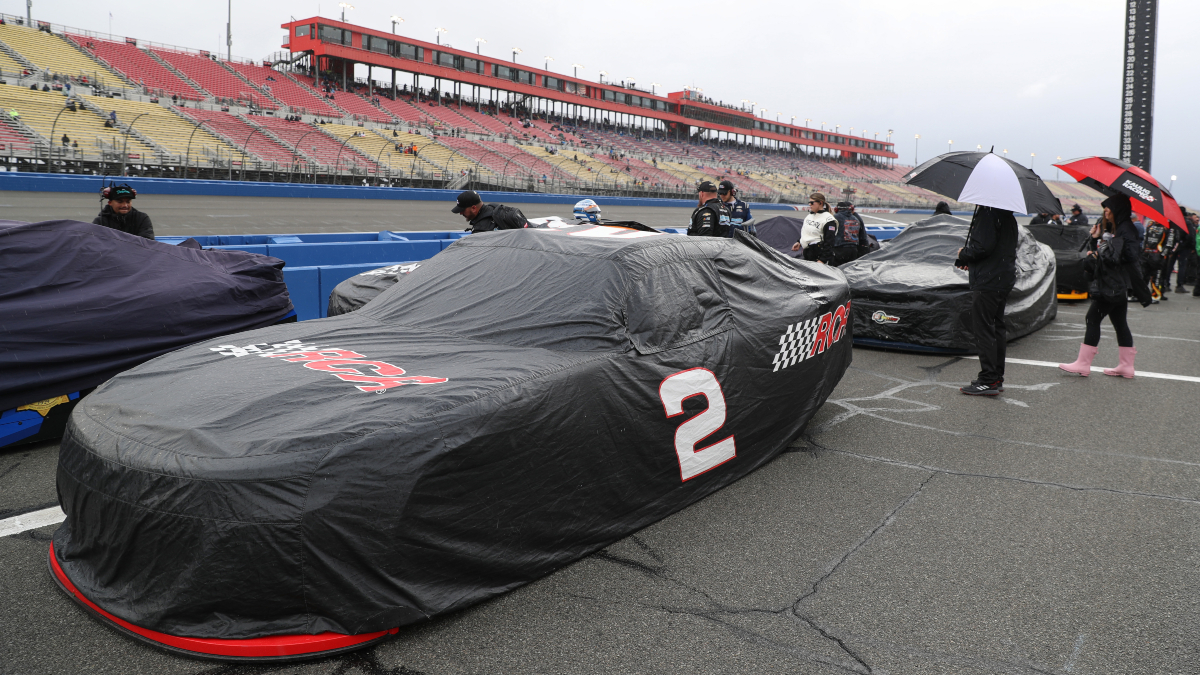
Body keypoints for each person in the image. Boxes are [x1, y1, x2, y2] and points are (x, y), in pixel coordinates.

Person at [1059, 194, 1147, 379]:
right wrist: (1097, 239)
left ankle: (1083, 364)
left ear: (1118, 209)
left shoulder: (1126, 229)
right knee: (1120, 323)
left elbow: (1129, 255)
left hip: (1113, 284)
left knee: (1092, 318)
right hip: (1116, 283)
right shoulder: (1119, 228)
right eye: (1105, 208)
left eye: (1109, 208)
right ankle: (1126, 366)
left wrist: (1104, 253)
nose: (1106, 211)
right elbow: (1113, 252)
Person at [954, 205, 1018, 396]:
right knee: (996, 327)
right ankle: (996, 377)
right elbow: (996, 248)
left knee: (984, 328)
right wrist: (971, 260)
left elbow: (982, 247)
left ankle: (988, 379)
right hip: (1001, 277)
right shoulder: (1007, 215)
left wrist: (963, 253)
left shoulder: (988, 213)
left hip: (989, 280)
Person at [790, 192, 838, 263]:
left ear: (820, 203)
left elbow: (830, 242)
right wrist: (799, 242)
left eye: (812, 203)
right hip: (808, 253)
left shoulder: (828, 220)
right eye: (809, 202)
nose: (809, 204)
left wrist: (822, 259)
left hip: (818, 255)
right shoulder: (809, 216)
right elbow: (807, 232)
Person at [451, 190, 529, 233]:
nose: (461, 213)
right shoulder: (494, 207)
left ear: (474, 208)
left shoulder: (481, 230)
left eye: (463, 210)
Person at [830, 201, 864, 266]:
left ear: (837, 209)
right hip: (854, 249)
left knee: (836, 271)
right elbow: (862, 236)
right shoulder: (856, 218)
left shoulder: (835, 217)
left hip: (839, 249)